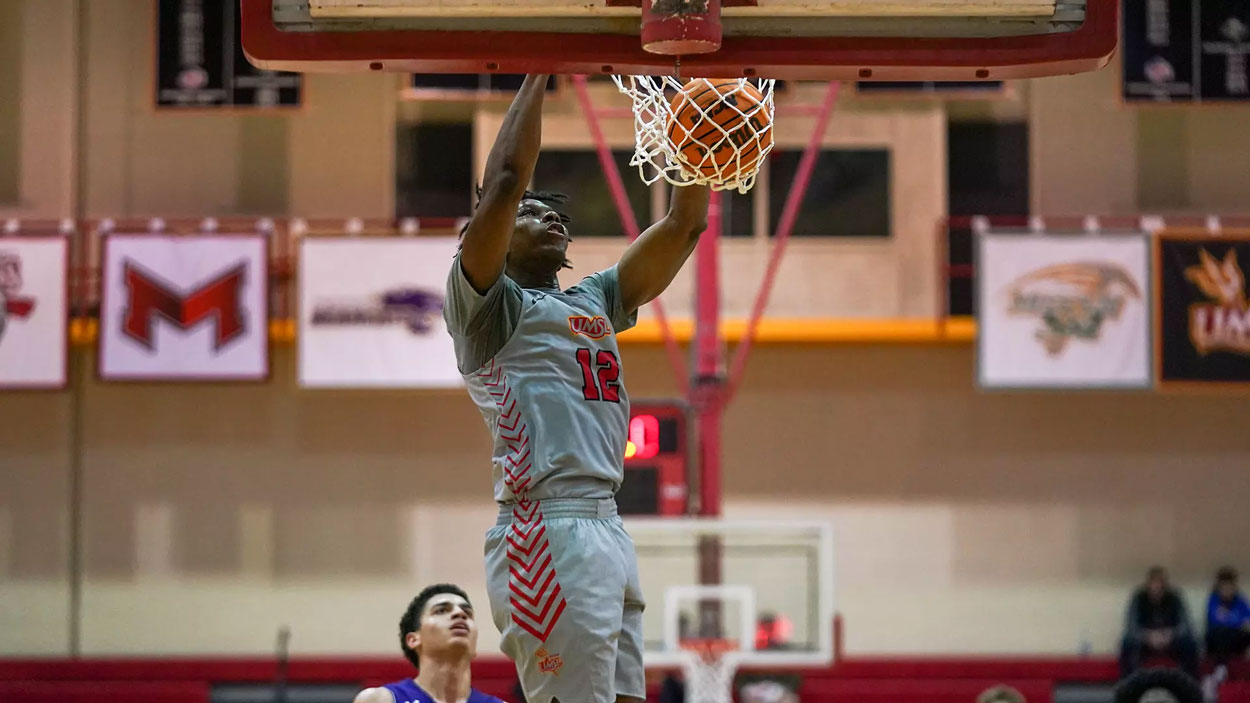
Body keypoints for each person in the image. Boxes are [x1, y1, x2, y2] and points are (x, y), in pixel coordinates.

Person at [443, 74, 710, 703]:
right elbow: (506, 182)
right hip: (545, 527)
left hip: (607, 521)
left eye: (557, 212)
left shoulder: (594, 299)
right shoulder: (486, 306)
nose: (550, 216)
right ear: (493, 232)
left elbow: (686, 223)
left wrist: (703, 140)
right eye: (532, 214)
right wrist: (543, 64)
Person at [354, 584, 506, 703]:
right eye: (441, 611)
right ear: (414, 640)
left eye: (467, 613)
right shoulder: (379, 700)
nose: (459, 614)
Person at [1119, 566, 1200, 679]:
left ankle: (1189, 683)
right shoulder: (1138, 598)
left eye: (1160, 584)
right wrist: (1147, 636)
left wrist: (1171, 634)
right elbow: (1131, 627)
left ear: (1165, 585)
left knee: (1190, 642)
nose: (1157, 587)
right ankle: (1128, 683)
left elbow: (1185, 626)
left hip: (1170, 639)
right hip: (1146, 640)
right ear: (1148, 584)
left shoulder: (1175, 598)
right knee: (1127, 642)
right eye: (1153, 583)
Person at [1205, 566, 1250, 663]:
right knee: (1221, 632)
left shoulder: (1241, 600)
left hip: (1236, 637)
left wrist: (1230, 620)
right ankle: (1220, 668)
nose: (1227, 589)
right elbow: (1215, 621)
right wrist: (1237, 623)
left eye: (1230, 586)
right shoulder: (1213, 600)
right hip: (1216, 638)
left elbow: (1247, 621)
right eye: (1224, 586)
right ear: (1219, 587)